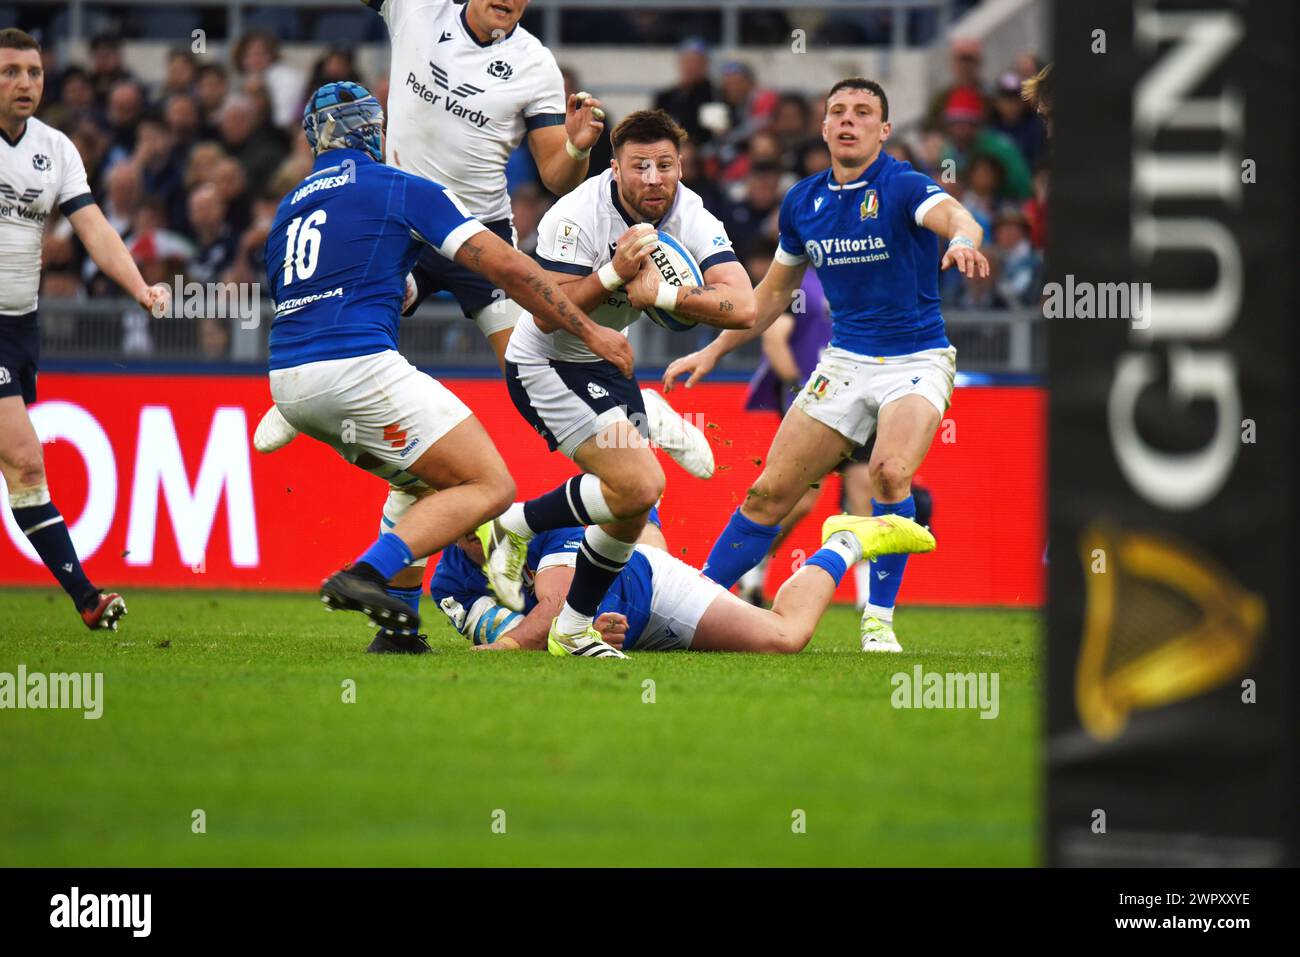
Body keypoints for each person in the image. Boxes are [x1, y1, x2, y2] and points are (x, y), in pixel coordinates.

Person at [264, 81, 632, 635]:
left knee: (418, 483)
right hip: (354, 366)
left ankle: (400, 632)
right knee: (490, 487)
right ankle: (367, 572)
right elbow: (506, 268)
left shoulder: (286, 210)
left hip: (287, 378)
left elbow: (323, 292)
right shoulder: (399, 186)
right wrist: (590, 331)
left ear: (315, 139)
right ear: (376, 132)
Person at [664, 77, 990, 653]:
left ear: (884, 130)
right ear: (823, 127)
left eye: (863, 112)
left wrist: (964, 240)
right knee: (767, 494)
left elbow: (959, 216)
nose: (848, 120)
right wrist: (711, 351)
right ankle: (694, 606)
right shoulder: (803, 202)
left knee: (889, 474)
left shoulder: (904, 186)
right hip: (843, 362)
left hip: (916, 360)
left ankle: (878, 621)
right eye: (837, 110)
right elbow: (768, 297)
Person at [485, 109, 756, 660]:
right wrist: (612, 274)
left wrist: (669, 297)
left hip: (609, 362)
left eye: (664, 165)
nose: (653, 179)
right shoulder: (577, 212)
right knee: (639, 484)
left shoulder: (693, 214)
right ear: (616, 168)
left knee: (631, 508)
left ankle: (573, 629)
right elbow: (540, 313)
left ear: (681, 165)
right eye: (640, 167)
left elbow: (745, 306)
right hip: (546, 363)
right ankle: (514, 523)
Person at [0, 29, 169, 631]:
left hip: (20, 329)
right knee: (24, 460)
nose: (25, 84)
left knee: (19, 468)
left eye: (35, 72)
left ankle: (86, 599)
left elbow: (94, 228)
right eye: (11, 72)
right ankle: (87, 598)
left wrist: (141, 287)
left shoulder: (55, 148)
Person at [437, 507, 934, 655]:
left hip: (652, 590)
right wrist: (574, 628)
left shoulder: (545, 525)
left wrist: (512, 647)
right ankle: (639, 492)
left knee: (784, 637)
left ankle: (845, 540)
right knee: (638, 539)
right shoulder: (447, 584)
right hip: (623, 606)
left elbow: (552, 613)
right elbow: (508, 625)